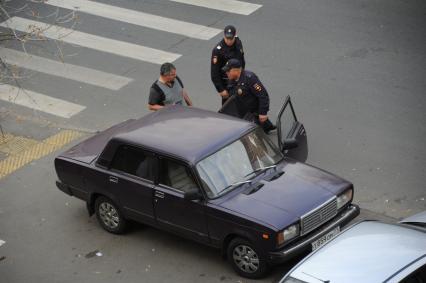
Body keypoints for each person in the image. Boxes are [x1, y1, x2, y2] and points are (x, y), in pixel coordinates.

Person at [222, 59, 276, 134]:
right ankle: (265, 125)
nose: (226, 73)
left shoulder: (250, 78)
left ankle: (264, 126)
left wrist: (263, 113)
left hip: (253, 112)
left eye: (228, 71)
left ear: (236, 70)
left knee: (253, 136)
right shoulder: (232, 80)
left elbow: (263, 95)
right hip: (243, 112)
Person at [211, 25, 245, 105]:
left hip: (239, 80)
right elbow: (214, 73)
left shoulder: (238, 42)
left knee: (242, 104)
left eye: (231, 38)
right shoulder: (218, 50)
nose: (229, 41)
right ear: (224, 36)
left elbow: (242, 60)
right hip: (227, 83)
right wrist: (221, 90)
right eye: (227, 38)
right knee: (228, 107)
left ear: (235, 35)